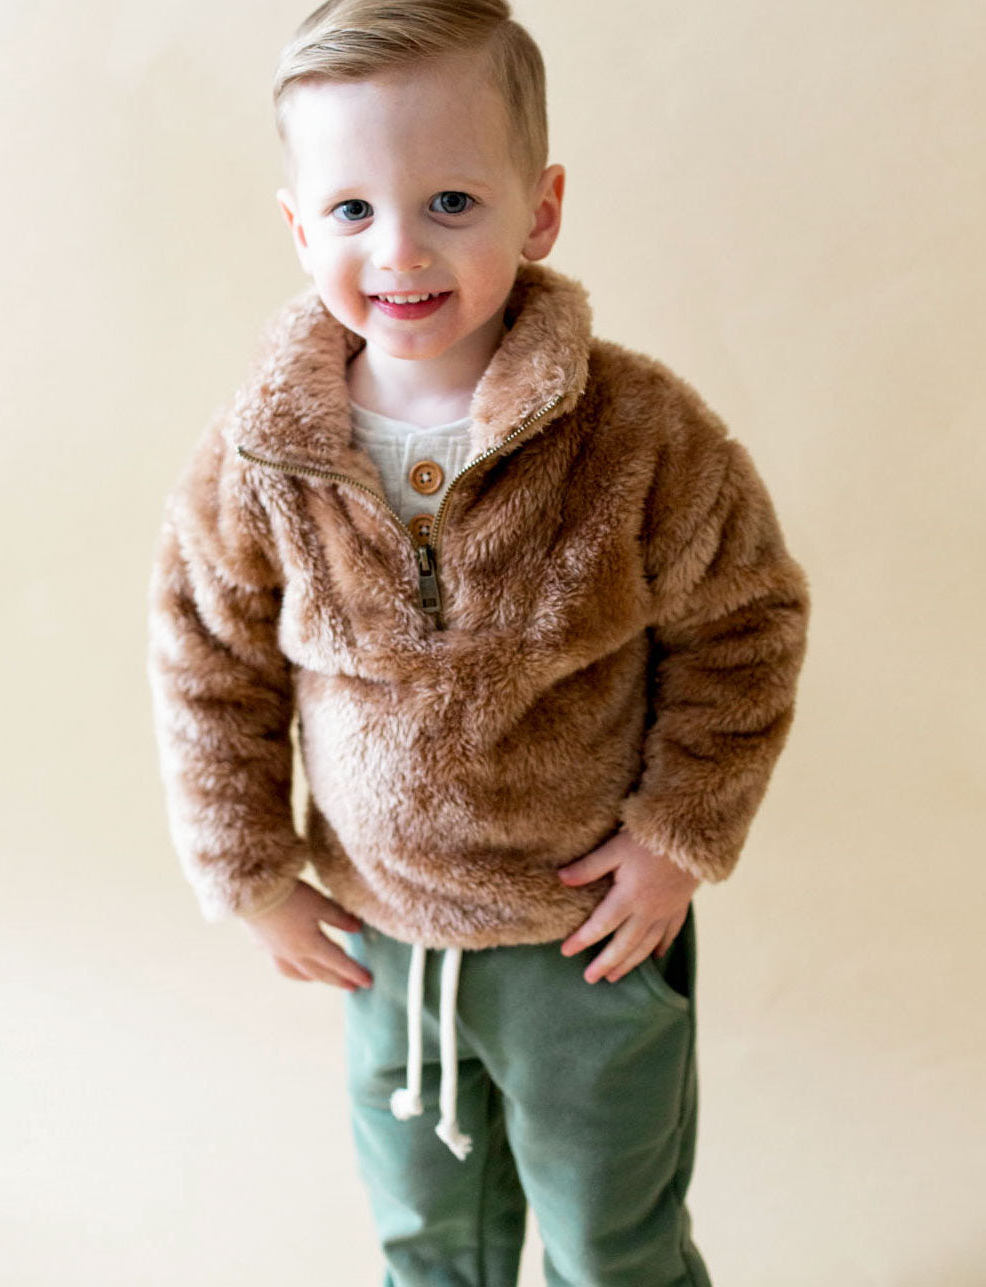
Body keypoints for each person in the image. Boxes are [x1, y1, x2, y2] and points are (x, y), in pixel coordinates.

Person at [146, 2, 811, 1283]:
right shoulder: (263, 456)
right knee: (428, 1238)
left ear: (539, 211)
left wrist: (678, 835)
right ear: (298, 226)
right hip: (384, 936)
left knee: (614, 1241)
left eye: (451, 201)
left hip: (586, 934)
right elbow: (208, 665)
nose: (399, 249)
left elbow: (744, 623)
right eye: (352, 210)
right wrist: (253, 871)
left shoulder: (637, 433)